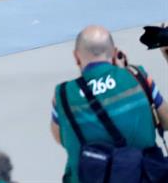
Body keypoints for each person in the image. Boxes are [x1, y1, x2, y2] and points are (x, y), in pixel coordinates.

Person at [50, 25, 168, 182]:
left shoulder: (63, 95)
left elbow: (60, 138)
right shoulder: (138, 77)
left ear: (76, 57)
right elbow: (165, 120)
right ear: (114, 53)